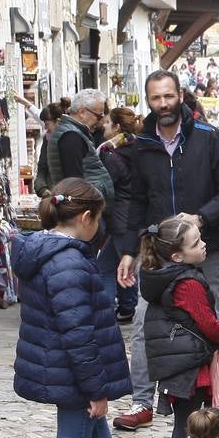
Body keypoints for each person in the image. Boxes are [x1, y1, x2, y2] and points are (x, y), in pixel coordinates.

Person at [12, 178, 133, 438]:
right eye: (98, 219)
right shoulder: (66, 261)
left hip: (68, 373)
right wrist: (95, 389)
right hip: (72, 377)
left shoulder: (61, 254)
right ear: (86, 218)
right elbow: (78, 333)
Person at [112, 70, 219, 432]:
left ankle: (216, 395)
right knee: (143, 323)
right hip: (157, 251)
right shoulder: (142, 145)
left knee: (209, 318)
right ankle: (142, 402)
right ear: (148, 100)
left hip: (205, 248)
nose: (163, 104)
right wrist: (128, 250)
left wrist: (201, 219)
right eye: (156, 98)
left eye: (168, 96)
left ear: (180, 95)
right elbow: (136, 200)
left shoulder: (208, 139)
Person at [139, 214, 219, 438]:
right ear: (178, 257)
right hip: (188, 367)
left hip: (180, 363)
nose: (203, 245)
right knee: (188, 424)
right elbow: (207, 322)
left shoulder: (166, 276)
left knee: (187, 422)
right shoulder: (187, 283)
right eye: (196, 243)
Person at [99, 107, 142, 324]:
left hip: (121, 218)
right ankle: (123, 308)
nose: (103, 126)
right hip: (131, 215)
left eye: (107, 123)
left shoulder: (112, 155)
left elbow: (107, 188)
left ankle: (113, 309)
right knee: (107, 264)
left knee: (126, 265)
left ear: (116, 127)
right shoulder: (137, 148)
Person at [47, 89, 115, 203]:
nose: (101, 122)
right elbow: (75, 183)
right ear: (82, 112)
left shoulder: (71, 133)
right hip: (82, 210)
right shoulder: (71, 136)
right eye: (99, 116)